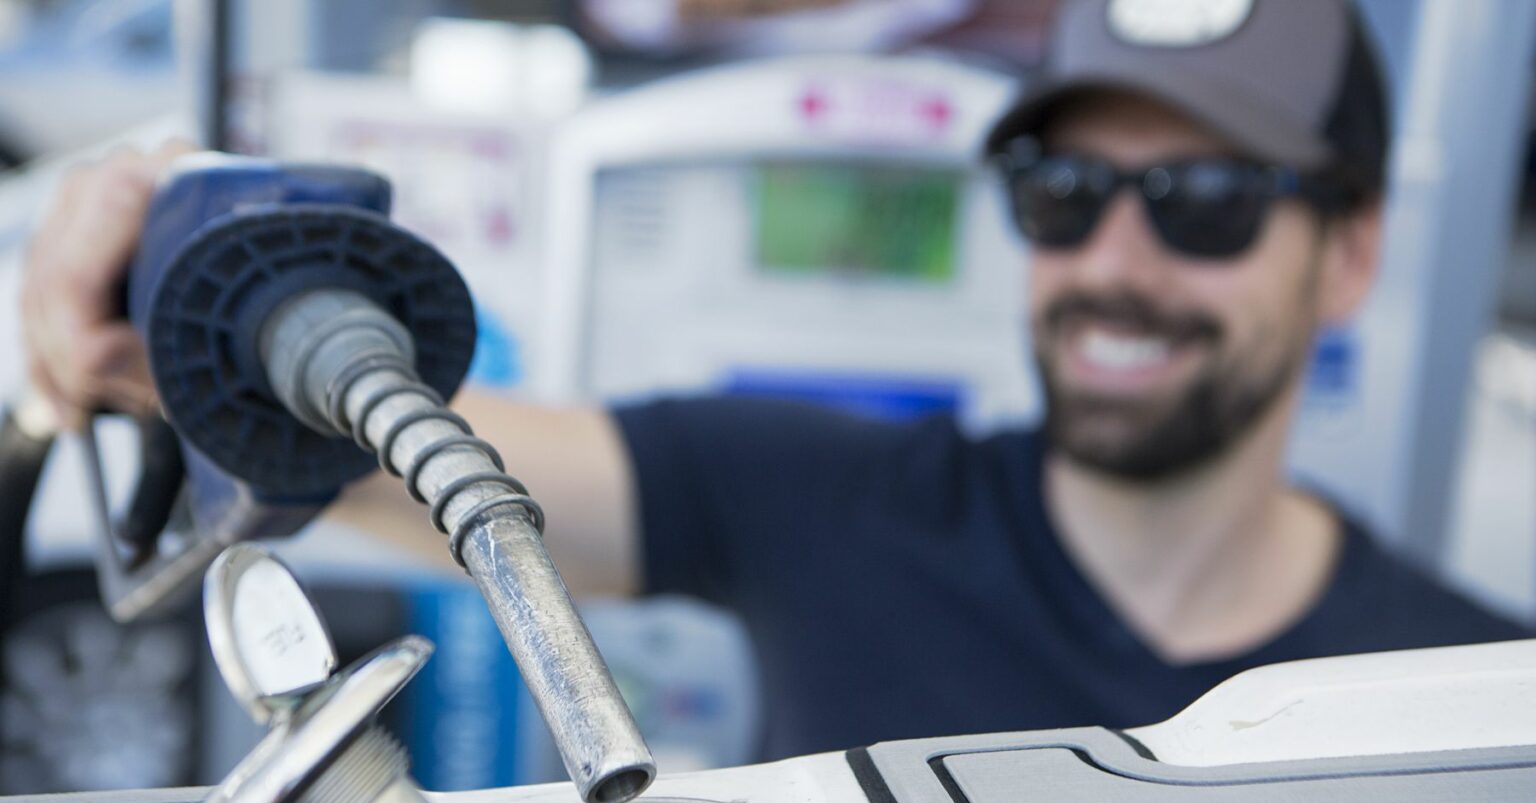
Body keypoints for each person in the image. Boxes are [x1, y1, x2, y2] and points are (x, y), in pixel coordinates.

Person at [22, 0, 1528, 761]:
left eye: (1204, 199)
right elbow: (389, 444)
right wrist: (169, 260)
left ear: (1345, 255)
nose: (1116, 262)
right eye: (1063, 188)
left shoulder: (1470, 703)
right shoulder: (829, 496)